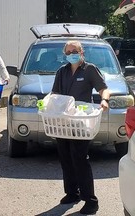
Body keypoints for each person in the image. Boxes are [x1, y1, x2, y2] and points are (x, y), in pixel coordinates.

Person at [51, 40, 110, 215]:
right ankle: (72, 193)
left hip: (81, 122)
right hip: (62, 122)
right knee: (65, 158)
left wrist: (104, 100)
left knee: (80, 159)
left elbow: (104, 89)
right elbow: (55, 94)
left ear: (81, 52)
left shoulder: (90, 69)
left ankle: (91, 201)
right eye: (68, 52)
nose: (71, 54)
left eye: (74, 51)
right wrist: (47, 104)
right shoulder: (61, 72)